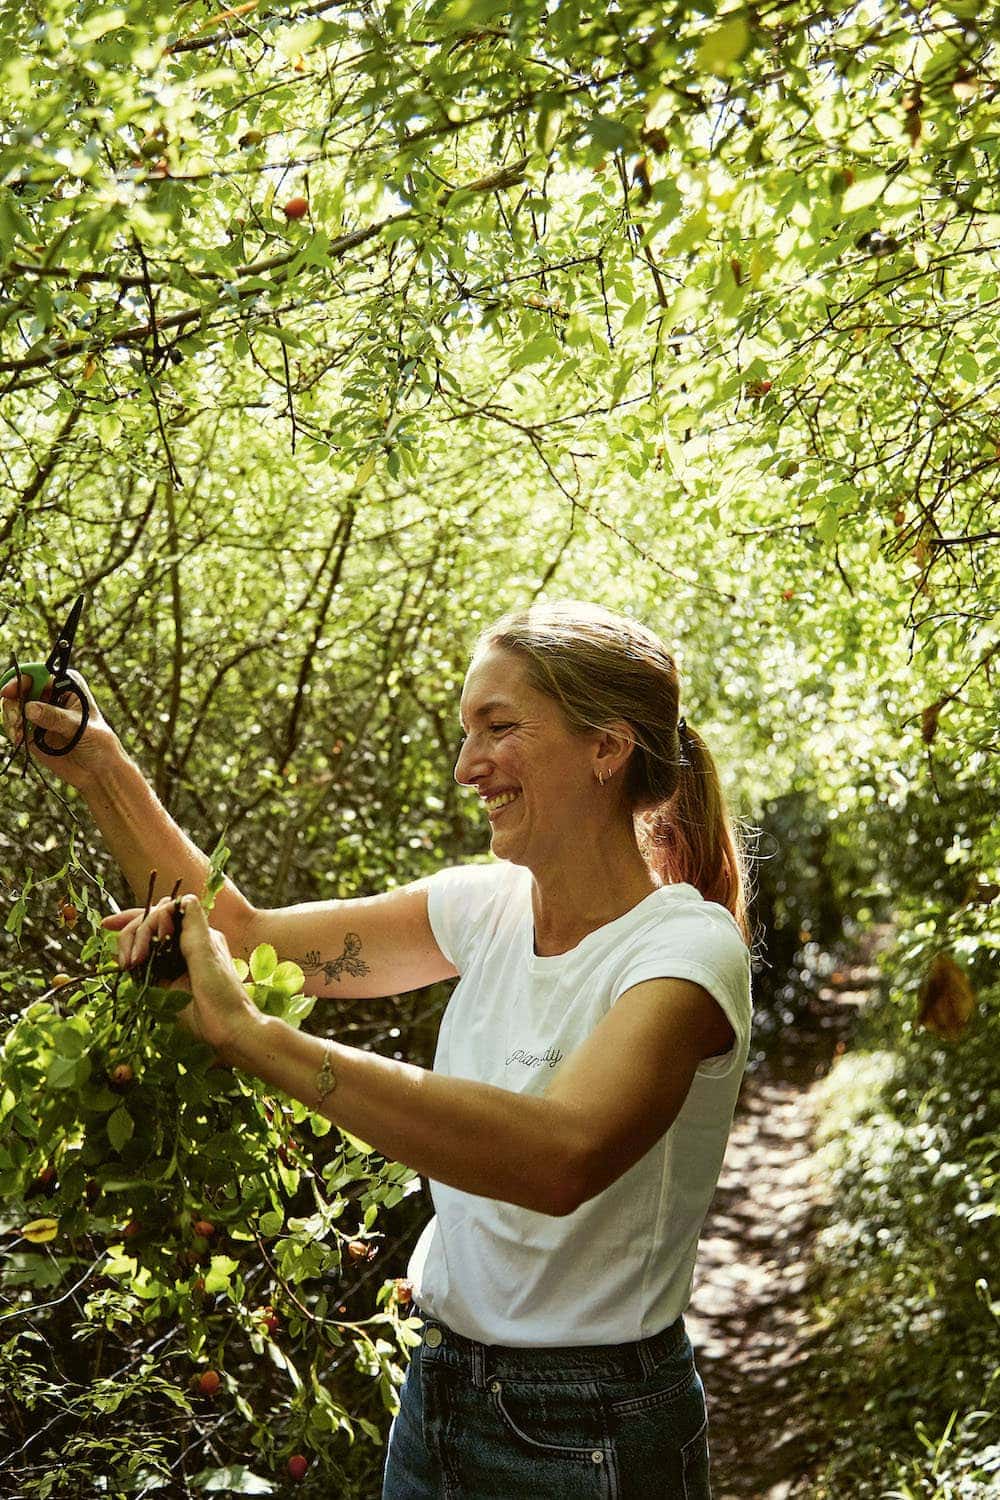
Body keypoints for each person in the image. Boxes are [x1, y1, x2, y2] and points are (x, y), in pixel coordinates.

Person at [2, 600, 752, 1499]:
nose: (468, 766)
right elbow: (247, 937)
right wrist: (100, 768)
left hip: (587, 1429)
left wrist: (257, 1040)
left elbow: (560, 1156)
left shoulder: (686, 951)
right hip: (438, 1390)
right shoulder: (488, 907)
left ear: (607, 747)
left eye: (498, 728)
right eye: (465, 730)